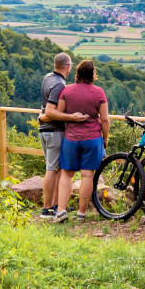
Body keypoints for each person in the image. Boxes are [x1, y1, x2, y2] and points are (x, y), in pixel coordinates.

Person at [53, 60, 111, 219]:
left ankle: (61, 210)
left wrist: (71, 117)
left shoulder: (66, 91)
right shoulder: (99, 92)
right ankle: (81, 212)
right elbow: (105, 120)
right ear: (93, 74)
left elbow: (59, 113)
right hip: (92, 139)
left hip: (71, 139)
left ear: (77, 73)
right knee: (87, 175)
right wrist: (105, 138)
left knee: (66, 174)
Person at [36, 53, 73, 219]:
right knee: (51, 169)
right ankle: (47, 209)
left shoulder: (48, 78)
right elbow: (51, 111)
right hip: (54, 131)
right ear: (68, 66)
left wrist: (42, 117)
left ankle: (57, 206)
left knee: (56, 168)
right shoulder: (59, 84)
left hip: (45, 131)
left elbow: (45, 107)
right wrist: (72, 117)